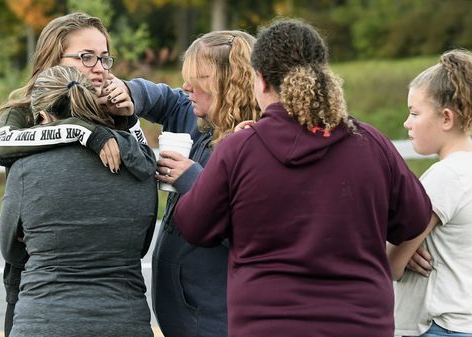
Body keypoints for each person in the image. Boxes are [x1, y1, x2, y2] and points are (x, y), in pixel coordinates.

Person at [173, 19, 432, 337]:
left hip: (267, 325)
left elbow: (194, 225)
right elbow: (415, 217)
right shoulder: (370, 143)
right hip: (361, 324)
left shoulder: (240, 149)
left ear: (261, 80)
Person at [0, 12, 156, 336]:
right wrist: (85, 132)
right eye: (86, 57)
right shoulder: (25, 108)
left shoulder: (111, 110)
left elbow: (145, 166)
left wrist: (131, 119)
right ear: (52, 59)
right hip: (30, 280)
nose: (99, 67)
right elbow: (1, 143)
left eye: (104, 58)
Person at [109, 30, 258, 337]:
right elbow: (165, 98)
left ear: (229, 83)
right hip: (183, 319)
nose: (188, 86)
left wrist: (194, 180)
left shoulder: (253, 144)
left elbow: (251, 232)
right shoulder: (193, 115)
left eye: (198, 78)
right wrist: (129, 91)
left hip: (220, 323)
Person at [386, 49, 472, 337]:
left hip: (439, 326)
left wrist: (398, 248)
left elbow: (390, 265)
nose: (406, 123)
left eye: (414, 113)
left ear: (446, 118)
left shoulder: (444, 177)